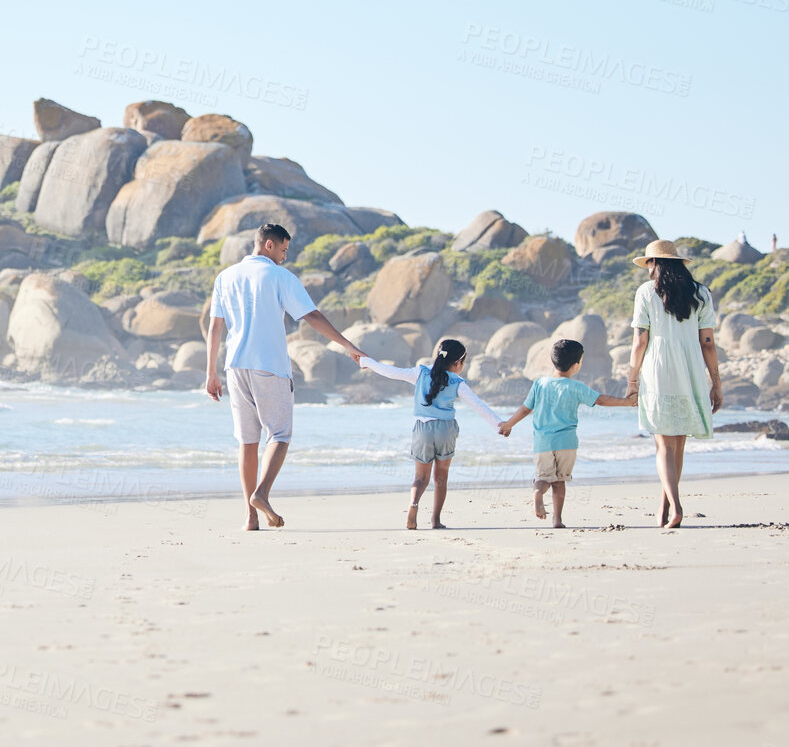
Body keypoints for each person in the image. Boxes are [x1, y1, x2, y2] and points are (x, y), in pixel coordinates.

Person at [205, 223, 365, 531]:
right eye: (283, 250)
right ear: (268, 245)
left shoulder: (225, 277)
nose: (284, 257)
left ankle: (250, 518)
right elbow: (311, 316)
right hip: (270, 366)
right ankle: (261, 493)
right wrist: (348, 345)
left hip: (235, 366)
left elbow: (215, 328)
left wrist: (210, 373)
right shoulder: (279, 277)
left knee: (247, 442)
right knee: (279, 435)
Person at [625, 239, 721, 529]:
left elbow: (641, 340)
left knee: (663, 445)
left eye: (649, 264)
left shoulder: (646, 292)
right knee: (677, 445)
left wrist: (632, 380)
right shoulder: (701, 293)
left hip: (658, 368)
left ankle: (676, 507)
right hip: (690, 368)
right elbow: (707, 342)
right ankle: (664, 506)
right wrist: (716, 382)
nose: (647, 270)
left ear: (655, 264)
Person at [359, 339, 502, 530]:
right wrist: (499, 425)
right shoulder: (457, 382)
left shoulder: (420, 373)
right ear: (458, 362)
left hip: (423, 430)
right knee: (440, 478)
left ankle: (413, 504)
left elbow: (391, 372)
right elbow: (478, 405)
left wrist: (366, 362)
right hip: (445, 430)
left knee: (420, 478)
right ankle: (435, 520)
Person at [497, 339, 636, 528]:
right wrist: (627, 402)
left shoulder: (540, 384)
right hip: (567, 443)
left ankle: (538, 494)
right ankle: (557, 520)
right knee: (560, 481)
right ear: (575, 365)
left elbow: (524, 409)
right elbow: (602, 400)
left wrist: (508, 424)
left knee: (543, 478)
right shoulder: (576, 387)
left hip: (543, 443)